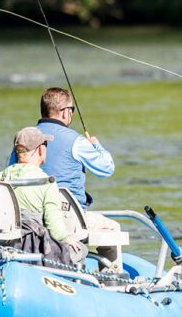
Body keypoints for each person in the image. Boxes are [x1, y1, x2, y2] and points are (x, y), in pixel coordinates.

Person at [7, 87, 123, 271]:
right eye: (72, 110)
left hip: (30, 220)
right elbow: (107, 168)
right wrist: (96, 146)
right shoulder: (76, 141)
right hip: (68, 219)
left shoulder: (24, 142)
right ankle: (112, 281)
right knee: (112, 228)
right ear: (64, 112)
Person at [0, 126, 86, 265]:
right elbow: (55, 230)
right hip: (32, 247)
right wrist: (69, 239)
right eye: (45, 145)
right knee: (81, 250)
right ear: (40, 150)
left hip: (3, 245)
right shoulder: (46, 183)